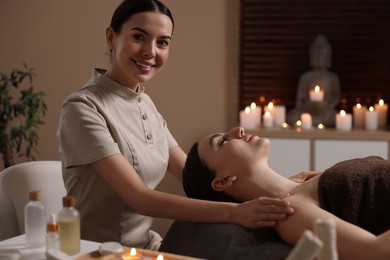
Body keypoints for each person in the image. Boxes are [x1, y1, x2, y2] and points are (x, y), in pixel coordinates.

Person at [56, 0, 315, 250]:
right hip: (96, 251)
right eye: (139, 37)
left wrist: (283, 187)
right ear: (111, 37)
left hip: (146, 247)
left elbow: (192, 177)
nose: (151, 52)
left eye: (162, 43)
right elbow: (140, 199)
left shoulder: (145, 104)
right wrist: (236, 213)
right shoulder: (83, 108)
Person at [182, 127, 390, 259]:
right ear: (223, 181)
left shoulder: (308, 182)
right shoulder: (289, 211)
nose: (238, 130)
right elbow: (376, 251)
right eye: (223, 142)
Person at [287, 34, 341, 126]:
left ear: (328, 57)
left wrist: (326, 105)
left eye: (322, 54)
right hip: (308, 110)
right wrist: (308, 105)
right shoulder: (306, 77)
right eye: (316, 54)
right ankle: (312, 120)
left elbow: (336, 96)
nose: (319, 58)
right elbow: (300, 100)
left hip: (325, 111)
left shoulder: (332, 77)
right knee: (292, 116)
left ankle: (311, 121)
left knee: (337, 117)